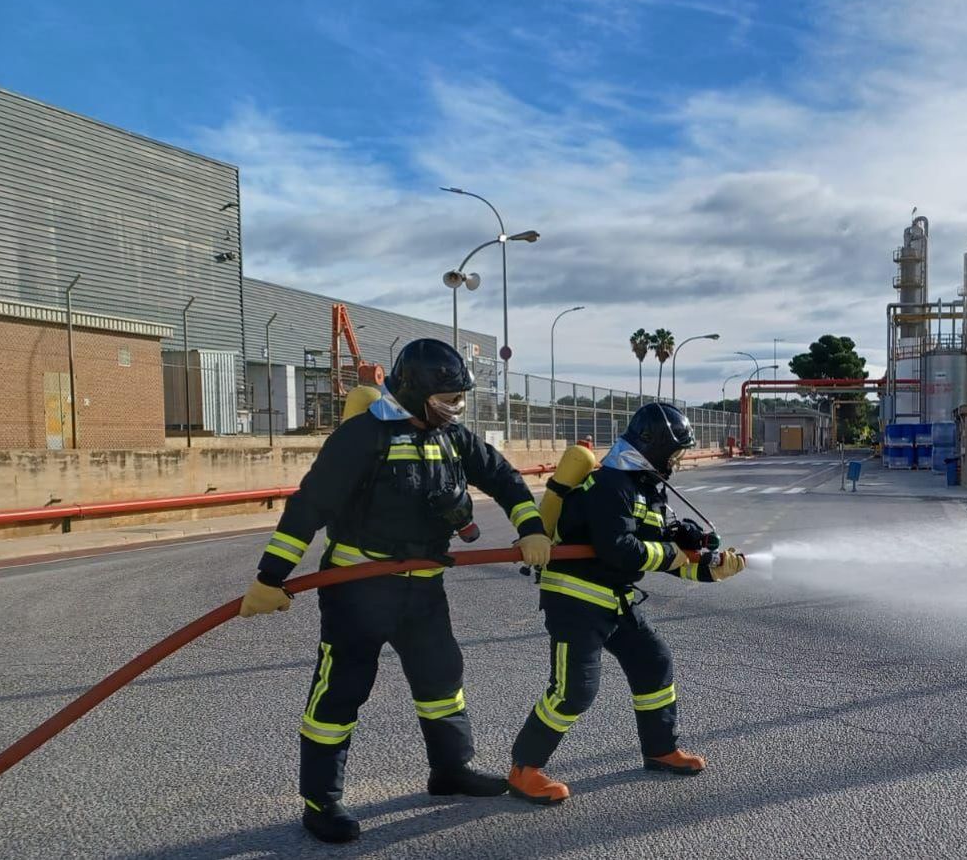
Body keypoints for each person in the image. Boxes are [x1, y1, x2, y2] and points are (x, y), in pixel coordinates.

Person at [237, 338, 553, 843]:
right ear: (413, 392)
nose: (457, 409)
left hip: (423, 589)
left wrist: (530, 525)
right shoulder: (362, 436)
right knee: (340, 692)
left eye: (459, 400)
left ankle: (450, 769)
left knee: (441, 680)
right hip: (358, 588)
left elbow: (502, 476)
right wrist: (269, 577)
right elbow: (308, 508)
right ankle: (322, 800)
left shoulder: (451, 436)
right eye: (448, 399)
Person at [508, 402, 745, 804]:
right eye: (674, 451)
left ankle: (660, 749)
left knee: (654, 664)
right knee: (574, 691)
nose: (677, 459)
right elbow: (620, 550)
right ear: (652, 447)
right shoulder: (610, 486)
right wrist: (673, 554)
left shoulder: (644, 488)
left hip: (616, 599)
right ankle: (523, 769)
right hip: (576, 601)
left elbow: (660, 551)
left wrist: (708, 569)